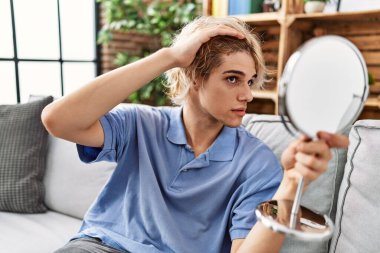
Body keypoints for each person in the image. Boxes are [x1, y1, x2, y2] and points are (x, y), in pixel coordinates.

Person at [42, 16, 348, 253]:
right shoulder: (142, 124)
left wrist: (292, 183)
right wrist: (171, 56)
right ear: (193, 77)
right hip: (97, 247)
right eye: (232, 79)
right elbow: (58, 120)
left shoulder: (257, 163)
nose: (247, 95)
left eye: (250, 81)